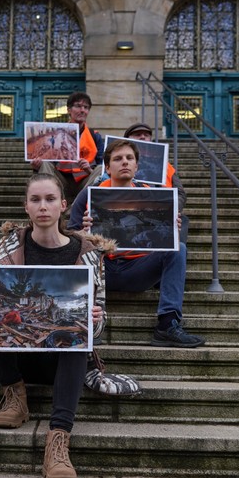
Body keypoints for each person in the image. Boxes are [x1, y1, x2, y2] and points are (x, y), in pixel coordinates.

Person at [0, 173, 140, 478]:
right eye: (35, 200)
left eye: (50, 199)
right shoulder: (10, 244)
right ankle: (15, 393)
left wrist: (95, 320)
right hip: (16, 358)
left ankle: (58, 439)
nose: (43, 206)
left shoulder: (87, 252)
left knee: (74, 337)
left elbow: (100, 322)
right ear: (26, 206)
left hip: (60, 360)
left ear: (63, 205)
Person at [69, 139, 206, 348]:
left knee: (179, 248)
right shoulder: (89, 194)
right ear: (107, 167)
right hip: (99, 270)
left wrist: (171, 228)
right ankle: (84, 323)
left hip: (137, 269)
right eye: (117, 159)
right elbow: (67, 237)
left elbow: (161, 236)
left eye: (129, 158)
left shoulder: (153, 195)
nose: (124, 162)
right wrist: (81, 231)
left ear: (136, 166)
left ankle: (167, 325)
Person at [68, 122, 189, 242]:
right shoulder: (92, 190)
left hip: (152, 214)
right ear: (108, 168)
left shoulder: (166, 167)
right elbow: (73, 229)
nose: (142, 137)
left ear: (136, 166)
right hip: (104, 251)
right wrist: (84, 232)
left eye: (146, 135)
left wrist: (170, 211)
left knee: (179, 235)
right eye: (138, 134)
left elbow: (180, 193)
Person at [29, 91, 104, 204]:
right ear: (68, 110)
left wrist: (89, 169)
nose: (82, 110)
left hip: (85, 181)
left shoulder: (95, 136)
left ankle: (75, 208)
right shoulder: (55, 133)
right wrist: (37, 167)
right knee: (45, 163)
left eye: (86, 107)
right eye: (78, 106)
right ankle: (49, 204)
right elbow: (49, 164)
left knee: (100, 169)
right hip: (61, 182)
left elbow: (102, 166)